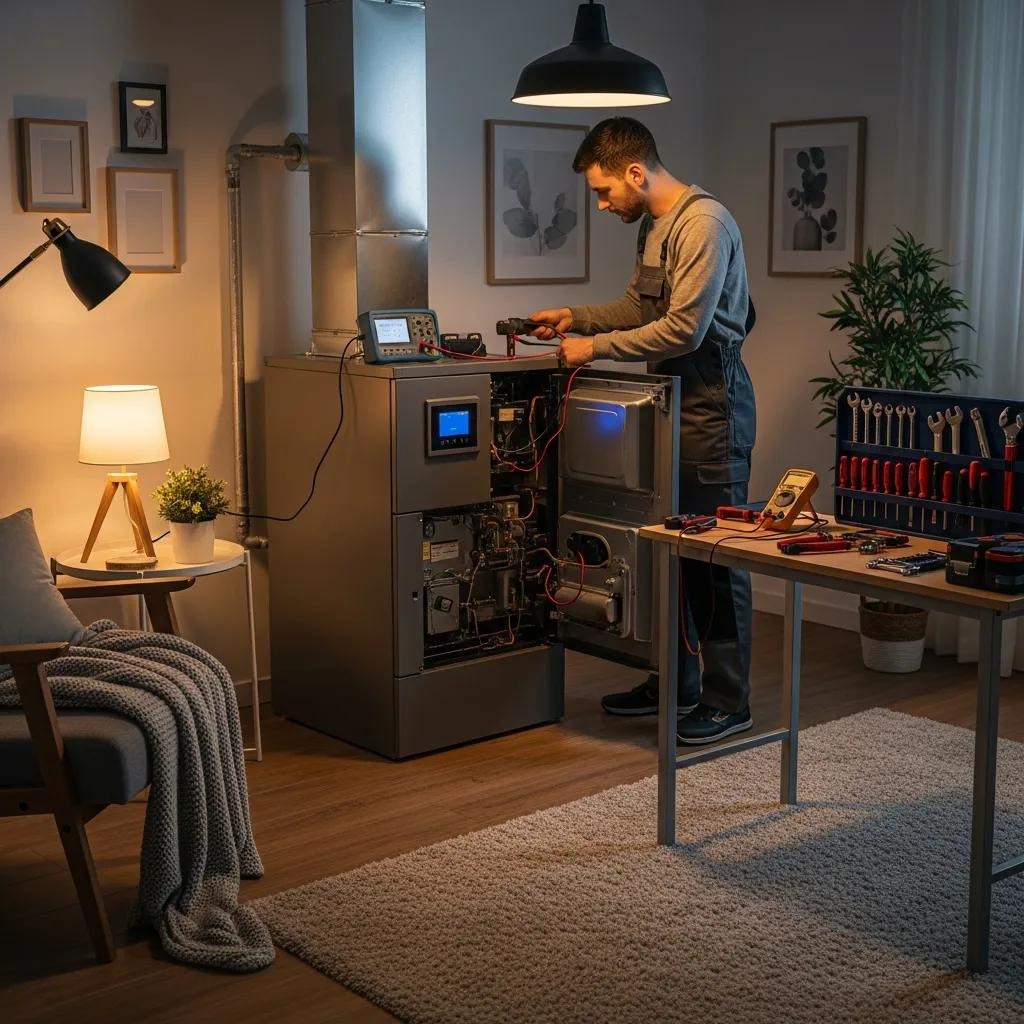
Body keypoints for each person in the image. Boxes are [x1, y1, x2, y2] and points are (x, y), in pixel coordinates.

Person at [529, 117, 757, 745]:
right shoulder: (657, 227)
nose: (602, 205)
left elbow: (683, 329)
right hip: (665, 403)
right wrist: (575, 315)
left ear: (636, 172)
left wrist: (591, 347)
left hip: (712, 408)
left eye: (604, 192)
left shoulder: (704, 224)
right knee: (666, 549)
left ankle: (728, 699)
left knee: (714, 557)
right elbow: (640, 309)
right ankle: (674, 681)